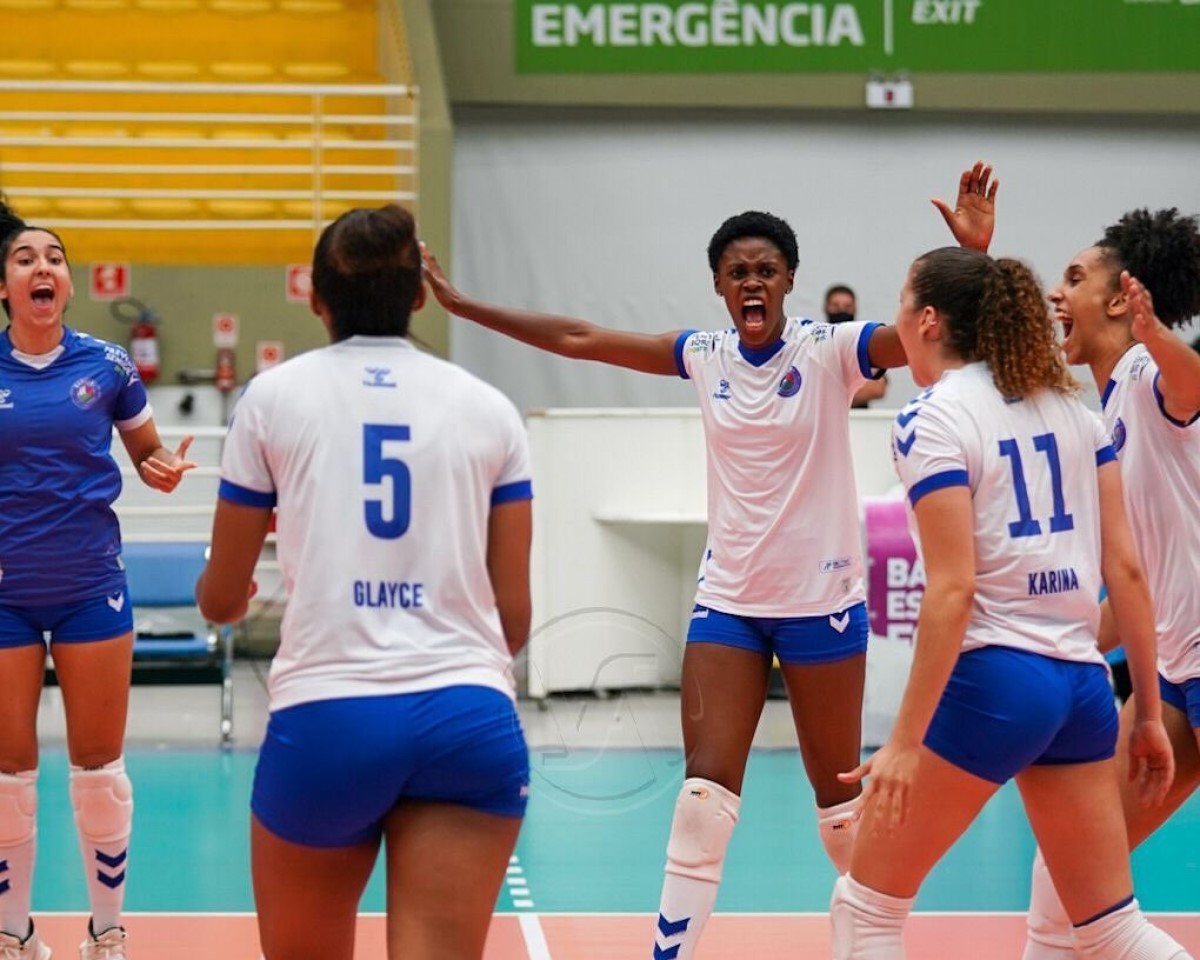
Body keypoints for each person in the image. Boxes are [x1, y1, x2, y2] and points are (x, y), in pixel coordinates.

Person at [422, 206, 913, 960]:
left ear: (789, 281)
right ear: (719, 285)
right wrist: (463, 307)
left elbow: (920, 334)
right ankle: (667, 954)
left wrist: (968, 256)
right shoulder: (705, 355)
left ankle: (876, 943)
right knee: (702, 801)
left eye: (766, 270)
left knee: (840, 806)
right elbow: (580, 339)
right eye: (737, 271)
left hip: (823, 606)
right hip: (730, 605)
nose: (752, 282)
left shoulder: (830, 350)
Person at [194, 203, 533, 960]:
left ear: (315, 298)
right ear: (420, 294)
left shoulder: (270, 401)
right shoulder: (491, 410)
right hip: (466, 715)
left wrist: (226, 593)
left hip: (328, 720)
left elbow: (221, 599)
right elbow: (514, 620)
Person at [830, 245, 1187, 960]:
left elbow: (955, 589)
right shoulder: (1075, 412)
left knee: (864, 908)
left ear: (926, 320)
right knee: (1111, 929)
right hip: (1083, 686)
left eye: (901, 301)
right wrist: (1145, 711)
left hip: (997, 679)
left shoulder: (930, 419)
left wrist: (903, 741)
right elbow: (1127, 572)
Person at [0, 201, 195, 960]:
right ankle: (14, 936)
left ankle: (106, 933)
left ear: (68, 286)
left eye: (54, 257)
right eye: (24, 259)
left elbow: (144, 450)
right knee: (9, 777)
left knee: (100, 773)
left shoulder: (107, 366)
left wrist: (162, 467)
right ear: (5, 288)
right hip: (7, 597)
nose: (42, 266)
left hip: (90, 588)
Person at [1021, 208, 1199, 958]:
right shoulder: (1103, 416)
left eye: (1073, 279)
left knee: (1078, 885)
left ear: (1124, 299)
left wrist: (1159, 338)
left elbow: (1189, 385)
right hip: (1176, 674)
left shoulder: (1148, 375)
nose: (1056, 295)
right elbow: (1131, 594)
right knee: (1069, 877)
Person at [824, 284, 888, 408]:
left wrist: (827, 392)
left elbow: (877, 388)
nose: (841, 310)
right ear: (826, 307)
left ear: (855, 309)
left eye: (847, 307)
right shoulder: (815, 342)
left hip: (858, 421)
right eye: (835, 306)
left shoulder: (865, 343)